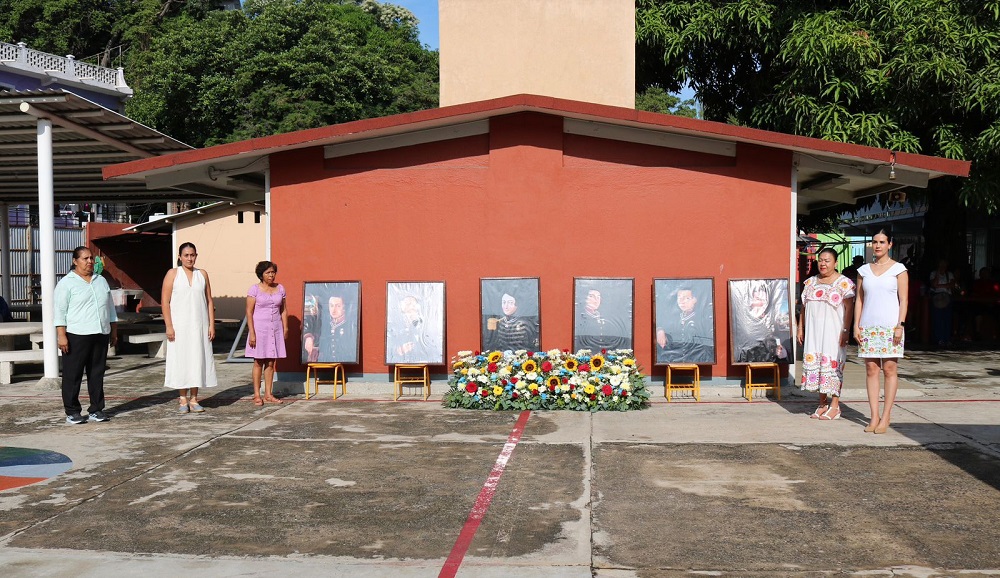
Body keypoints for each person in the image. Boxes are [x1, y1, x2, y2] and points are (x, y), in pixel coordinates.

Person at [54, 246, 118, 424]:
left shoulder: (101, 281)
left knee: (97, 373)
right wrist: (62, 335)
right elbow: (60, 311)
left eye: (91, 258)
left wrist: (113, 330)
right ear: (75, 261)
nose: (90, 262)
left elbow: (110, 307)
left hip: (100, 332)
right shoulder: (66, 283)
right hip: (77, 334)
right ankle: (72, 411)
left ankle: (96, 409)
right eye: (85, 258)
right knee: (72, 374)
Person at [854, 229, 908, 434]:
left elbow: (904, 300)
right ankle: (874, 415)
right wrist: (855, 326)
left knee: (890, 369)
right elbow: (859, 299)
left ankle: (886, 416)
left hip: (890, 326)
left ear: (890, 244)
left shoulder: (899, 269)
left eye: (882, 242)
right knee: (871, 370)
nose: (877, 245)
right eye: (875, 242)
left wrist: (900, 325)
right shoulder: (863, 270)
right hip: (868, 326)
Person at [797, 247, 855, 420]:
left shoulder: (844, 283)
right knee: (818, 365)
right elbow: (804, 307)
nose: (823, 264)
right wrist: (801, 328)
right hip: (814, 332)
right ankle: (822, 403)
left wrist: (846, 330)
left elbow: (850, 309)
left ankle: (835, 406)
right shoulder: (810, 283)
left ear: (835, 263)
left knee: (833, 366)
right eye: (820, 260)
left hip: (834, 332)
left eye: (827, 260)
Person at [162, 242, 218, 414]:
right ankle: (182, 398)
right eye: (186, 255)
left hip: (199, 325)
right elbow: (165, 301)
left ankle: (194, 398)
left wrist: (211, 324)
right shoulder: (173, 274)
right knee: (181, 360)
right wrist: (169, 326)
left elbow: (209, 300)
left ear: (196, 255)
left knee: (197, 359)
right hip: (179, 326)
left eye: (192, 255)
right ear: (180, 257)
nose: (189, 258)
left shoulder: (202, 274)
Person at [246, 260, 287, 406]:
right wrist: (252, 333)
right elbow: (249, 312)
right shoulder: (254, 290)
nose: (271, 275)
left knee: (271, 362)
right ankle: (257, 394)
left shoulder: (280, 288)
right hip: (259, 329)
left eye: (273, 272)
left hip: (274, 329)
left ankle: (269, 393)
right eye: (268, 273)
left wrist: (285, 328)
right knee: (258, 361)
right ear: (261, 275)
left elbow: (283, 310)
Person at [732, 280, 791, 363]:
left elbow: (781, 345)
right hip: (747, 356)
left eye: (762, 290)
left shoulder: (774, 319)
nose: (759, 295)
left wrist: (781, 351)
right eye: (756, 291)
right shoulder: (742, 319)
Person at [655, 285, 713, 363]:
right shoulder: (674, 318)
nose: (681, 301)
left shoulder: (702, 320)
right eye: (679, 297)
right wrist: (659, 330)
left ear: (694, 300)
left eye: (687, 298)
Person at [387, 294, 440, 363]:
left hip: (423, 359)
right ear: (402, 308)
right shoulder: (395, 325)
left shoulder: (425, 325)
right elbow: (390, 344)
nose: (412, 307)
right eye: (408, 304)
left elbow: (433, 344)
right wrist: (398, 350)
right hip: (401, 360)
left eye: (414, 305)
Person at [928, 258, 956, 347]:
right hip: (937, 298)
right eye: (941, 264)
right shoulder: (933, 273)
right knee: (938, 319)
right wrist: (938, 276)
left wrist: (940, 286)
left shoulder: (949, 274)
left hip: (947, 297)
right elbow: (934, 284)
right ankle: (938, 339)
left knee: (947, 319)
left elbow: (951, 285)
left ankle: (947, 339)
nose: (943, 266)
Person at [325, 294, 358, 362]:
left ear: (344, 308)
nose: (334, 310)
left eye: (338, 306)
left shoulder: (350, 326)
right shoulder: (326, 325)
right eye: (331, 306)